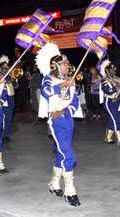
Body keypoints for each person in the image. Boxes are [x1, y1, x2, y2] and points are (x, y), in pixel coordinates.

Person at [37, 43, 81, 206]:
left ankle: (54, 183)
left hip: (67, 119)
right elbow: (46, 91)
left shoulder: (70, 81)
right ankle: (70, 190)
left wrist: (63, 112)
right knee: (69, 156)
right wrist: (63, 85)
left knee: (62, 153)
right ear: (55, 66)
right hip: (55, 123)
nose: (66, 66)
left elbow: (75, 103)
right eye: (63, 64)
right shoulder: (49, 78)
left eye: (67, 63)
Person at [100, 59, 120, 147]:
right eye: (111, 69)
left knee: (112, 119)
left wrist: (118, 98)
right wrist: (117, 85)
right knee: (116, 119)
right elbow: (108, 91)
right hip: (109, 101)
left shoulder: (118, 78)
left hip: (117, 101)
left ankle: (108, 138)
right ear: (107, 71)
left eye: (114, 69)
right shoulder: (104, 80)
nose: (114, 70)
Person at [0, 55, 15, 143]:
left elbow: (15, 86)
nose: (5, 69)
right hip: (3, 97)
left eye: (6, 68)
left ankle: (6, 133)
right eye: (4, 68)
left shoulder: (10, 76)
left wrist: (14, 81)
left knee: (9, 116)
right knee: (4, 116)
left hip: (11, 96)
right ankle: (4, 134)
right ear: (1, 68)